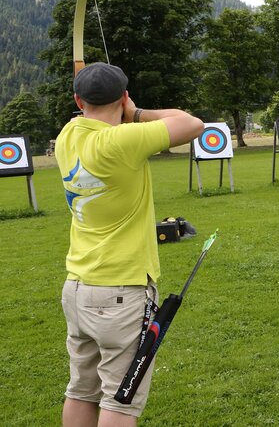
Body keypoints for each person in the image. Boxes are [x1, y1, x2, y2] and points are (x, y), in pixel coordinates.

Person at [56, 62, 204, 426]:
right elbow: (193, 124)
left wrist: (114, 111)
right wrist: (135, 113)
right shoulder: (120, 141)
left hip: (78, 287)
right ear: (122, 97)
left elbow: (91, 120)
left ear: (78, 99)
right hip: (120, 292)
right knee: (120, 400)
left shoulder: (67, 136)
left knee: (81, 390)